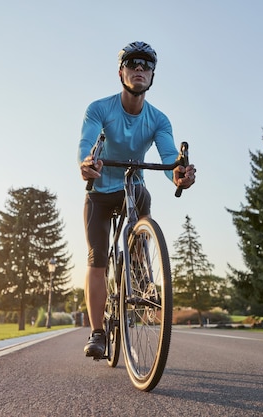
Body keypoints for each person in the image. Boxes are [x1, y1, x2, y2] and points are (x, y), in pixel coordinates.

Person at [78, 41, 196, 359]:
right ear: (121, 72)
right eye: (133, 64)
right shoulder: (99, 108)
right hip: (100, 192)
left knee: (141, 192)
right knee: (97, 257)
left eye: (146, 65)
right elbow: (88, 143)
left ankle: (141, 273)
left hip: (132, 188)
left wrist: (179, 173)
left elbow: (170, 157)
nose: (139, 69)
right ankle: (98, 333)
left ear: (153, 74)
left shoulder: (159, 120)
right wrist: (87, 163)